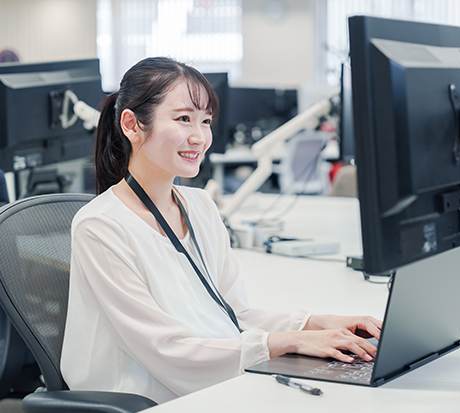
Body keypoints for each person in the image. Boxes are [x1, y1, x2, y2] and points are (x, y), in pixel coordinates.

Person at [60, 57, 381, 404]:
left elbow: (233, 314)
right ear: (132, 125)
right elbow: (164, 350)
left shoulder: (200, 207)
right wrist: (289, 343)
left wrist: (315, 324)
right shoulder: (100, 226)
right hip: (144, 394)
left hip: (211, 378)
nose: (199, 137)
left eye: (206, 121)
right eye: (183, 119)